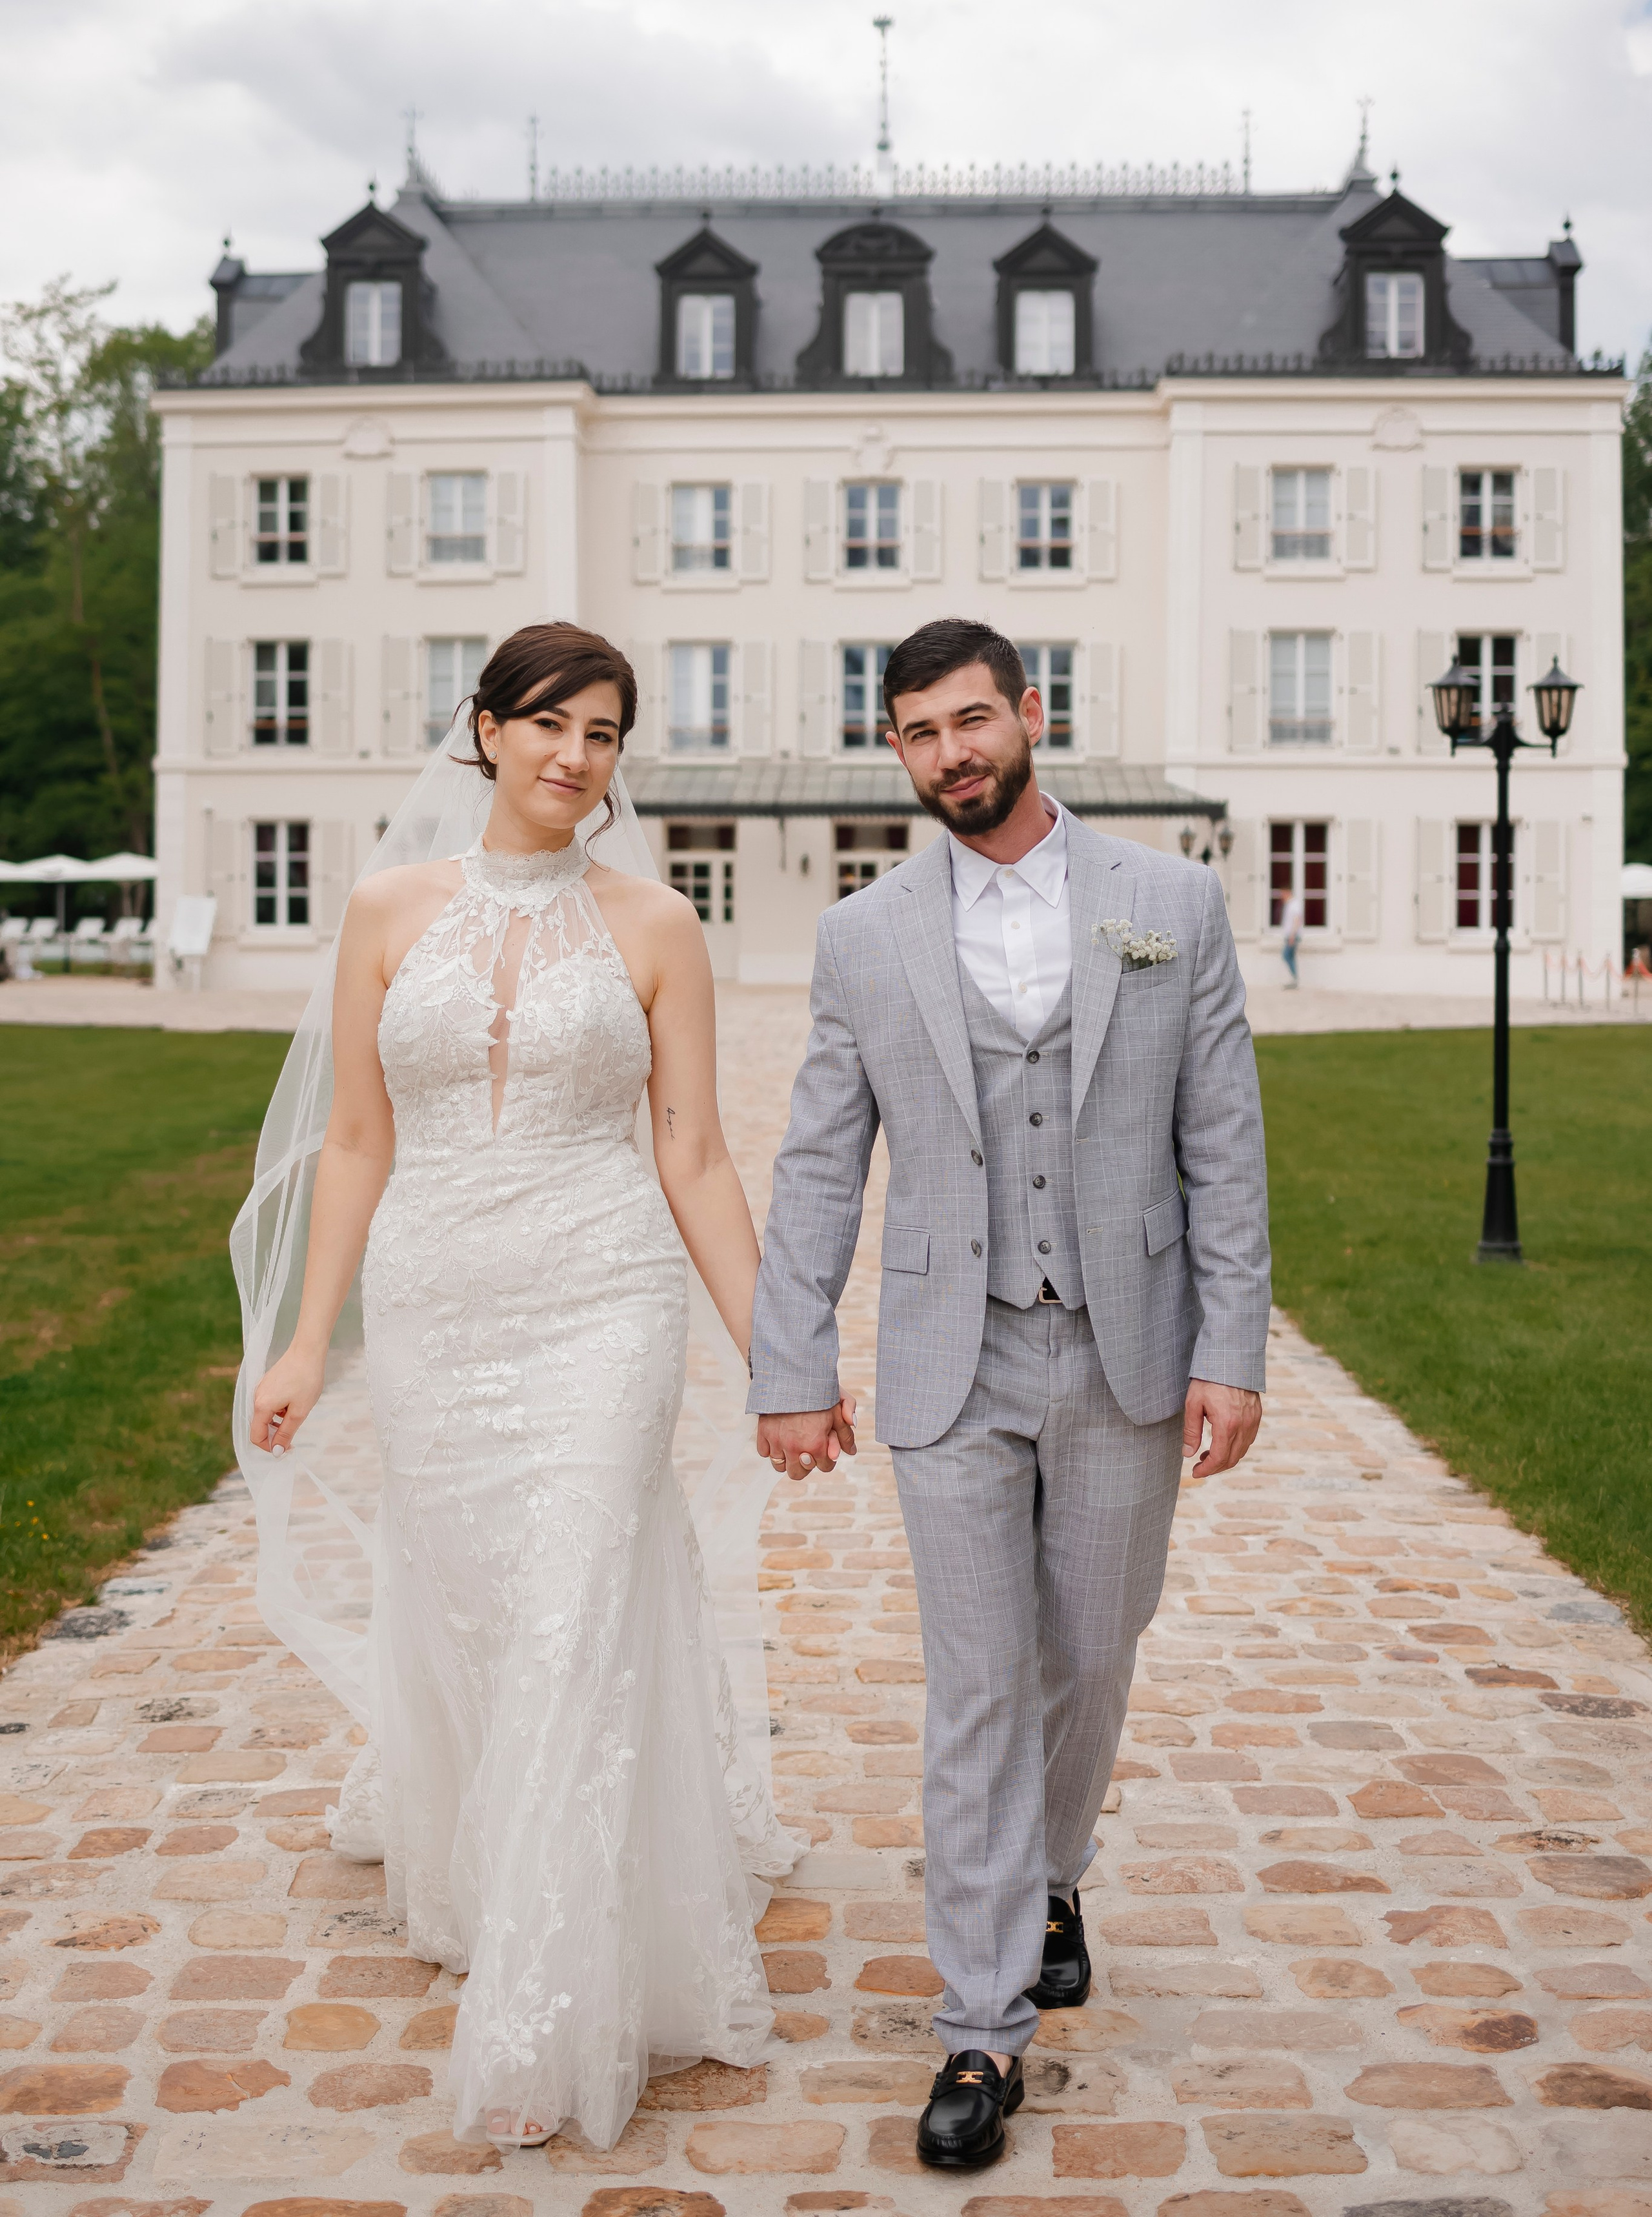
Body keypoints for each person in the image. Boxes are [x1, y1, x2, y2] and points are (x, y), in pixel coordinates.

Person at [244, 623, 801, 2151]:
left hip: (602, 1294)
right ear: (482, 730)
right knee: (480, 1598)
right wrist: (306, 1342)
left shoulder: (656, 923)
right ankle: (492, 1862)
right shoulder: (377, 910)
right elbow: (355, 1139)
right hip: (436, 1300)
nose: (575, 755)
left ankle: (555, 1988)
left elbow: (687, 1149)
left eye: (605, 734)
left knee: (571, 1607)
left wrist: (782, 1349)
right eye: (550, 723)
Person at [749, 618, 1269, 2174]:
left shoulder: (1167, 903)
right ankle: (979, 2022)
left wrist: (1229, 1343)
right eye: (916, 732)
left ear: (1029, 716)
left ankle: (1054, 1871)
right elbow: (819, 1156)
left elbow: (1220, 1138)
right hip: (947, 1355)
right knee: (976, 1680)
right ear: (896, 751)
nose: (948, 751)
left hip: (1124, 1345)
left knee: (1090, 1653)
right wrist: (790, 1361)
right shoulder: (859, 934)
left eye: (969, 719)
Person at [1280, 887, 1305, 987]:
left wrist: (1292, 936)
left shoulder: (1294, 904)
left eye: (1283, 894)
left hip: (1292, 936)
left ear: (1288, 893)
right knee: (1291, 957)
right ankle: (1294, 980)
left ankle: (1294, 979)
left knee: (1286, 956)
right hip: (1290, 935)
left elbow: (1297, 920)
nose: (1282, 897)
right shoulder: (1289, 904)